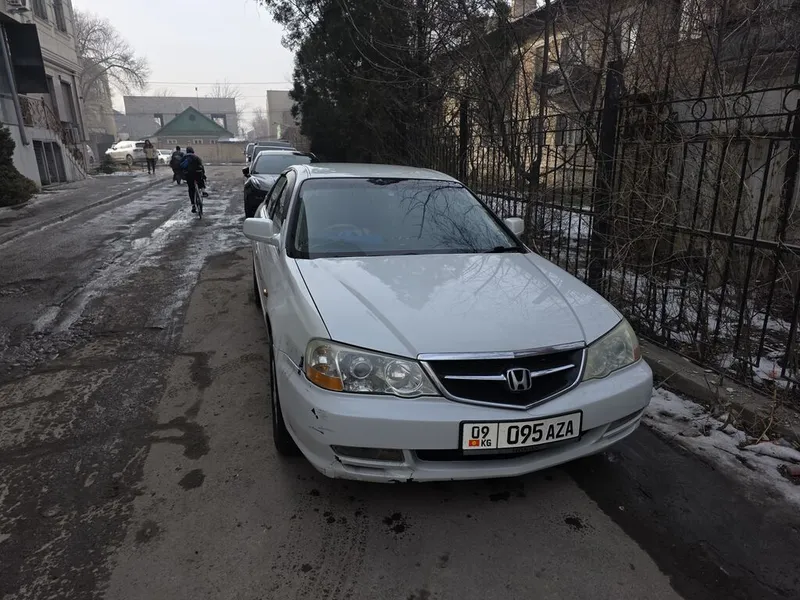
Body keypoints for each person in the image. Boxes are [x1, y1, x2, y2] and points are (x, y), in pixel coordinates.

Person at [180, 147, 208, 213]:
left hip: (189, 175)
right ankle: (203, 191)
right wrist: (203, 174)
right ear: (193, 151)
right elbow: (201, 166)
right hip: (197, 173)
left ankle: (193, 205)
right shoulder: (196, 157)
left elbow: (181, 167)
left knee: (191, 189)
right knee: (200, 180)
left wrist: (183, 176)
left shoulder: (184, 158)